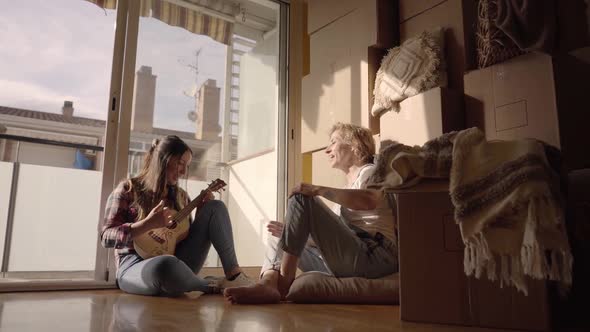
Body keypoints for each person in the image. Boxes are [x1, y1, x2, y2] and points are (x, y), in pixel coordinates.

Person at [224, 123, 398, 304]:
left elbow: (368, 200)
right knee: (280, 237)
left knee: (301, 197)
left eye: (333, 142)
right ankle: (267, 283)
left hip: (375, 257)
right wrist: (292, 233)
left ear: (354, 145)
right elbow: (332, 243)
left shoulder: (370, 171)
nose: (327, 150)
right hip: (352, 257)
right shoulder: (346, 191)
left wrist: (316, 189)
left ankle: (283, 285)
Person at [100, 135, 253, 297]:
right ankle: (210, 285)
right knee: (166, 266)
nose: (183, 171)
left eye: (187, 165)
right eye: (180, 163)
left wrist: (201, 213)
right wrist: (147, 224)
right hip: (134, 265)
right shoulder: (127, 189)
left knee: (215, 207)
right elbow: (106, 236)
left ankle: (234, 275)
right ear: (163, 159)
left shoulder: (181, 196)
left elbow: (180, 239)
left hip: (178, 260)